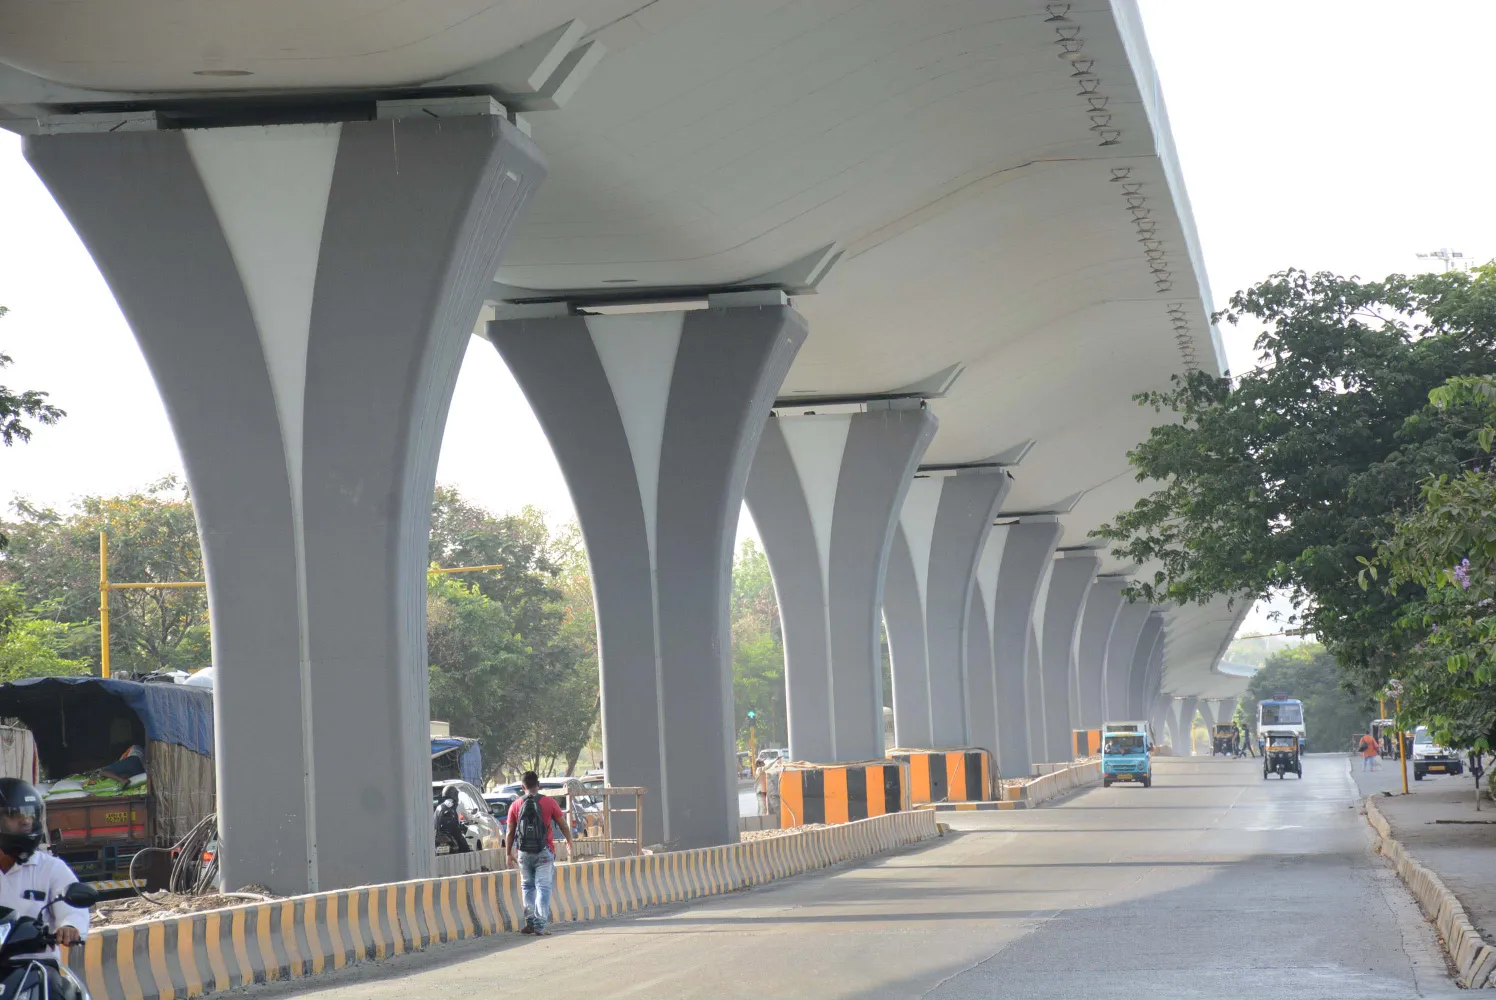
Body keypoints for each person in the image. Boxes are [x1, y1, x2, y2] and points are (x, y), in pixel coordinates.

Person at [0, 778, 88, 964]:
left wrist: (69, 927)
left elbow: (74, 911)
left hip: (38, 969)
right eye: (15, 815)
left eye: (30, 815)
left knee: (63, 991)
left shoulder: (51, 868)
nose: (26, 820)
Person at [506, 771, 573, 936]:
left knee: (527, 887)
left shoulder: (515, 805)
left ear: (523, 787)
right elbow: (563, 825)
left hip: (523, 853)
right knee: (543, 887)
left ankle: (529, 923)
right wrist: (569, 840)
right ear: (539, 785)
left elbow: (509, 832)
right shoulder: (549, 803)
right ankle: (540, 925)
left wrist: (508, 853)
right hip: (544, 851)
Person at [432, 785, 469, 854]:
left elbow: (434, 823)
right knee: (466, 849)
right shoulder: (458, 805)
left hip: (439, 837)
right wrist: (470, 820)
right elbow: (467, 817)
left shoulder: (439, 807)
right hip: (453, 835)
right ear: (454, 795)